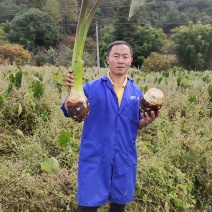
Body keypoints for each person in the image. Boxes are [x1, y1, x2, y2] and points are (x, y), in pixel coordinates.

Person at [61, 41, 160, 212]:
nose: (120, 60)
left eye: (125, 56)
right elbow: (69, 111)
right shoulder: (90, 88)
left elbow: (136, 124)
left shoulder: (137, 93)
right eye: (116, 56)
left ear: (131, 61)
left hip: (124, 158)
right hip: (95, 157)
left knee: (118, 207)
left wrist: (147, 121)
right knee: (86, 208)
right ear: (107, 59)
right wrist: (71, 90)